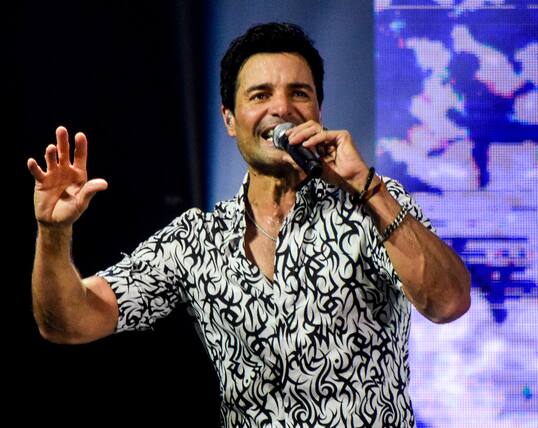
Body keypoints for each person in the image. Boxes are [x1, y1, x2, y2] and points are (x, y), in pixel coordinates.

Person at [28, 22, 471, 427]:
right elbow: (68, 322)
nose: (282, 108)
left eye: (299, 93)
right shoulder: (196, 241)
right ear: (229, 119)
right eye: (260, 95)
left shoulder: (370, 204)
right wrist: (54, 233)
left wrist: (367, 188)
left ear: (319, 109)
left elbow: (448, 302)